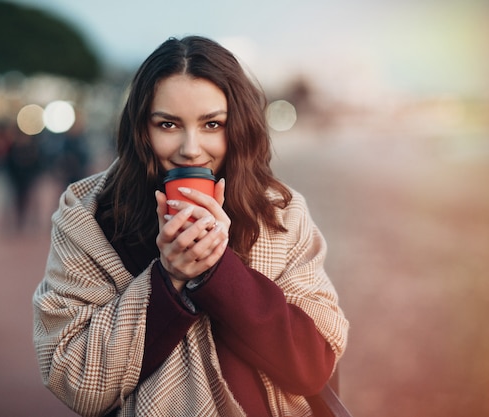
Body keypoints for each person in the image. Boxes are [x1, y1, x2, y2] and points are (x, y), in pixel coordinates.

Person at [33, 35, 348, 417]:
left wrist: (218, 269)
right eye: (168, 124)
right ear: (141, 131)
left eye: (212, 124)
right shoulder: (89, 217)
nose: (191, 147)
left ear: (238, 127)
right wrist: (168, 279)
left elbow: (314, 365)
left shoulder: (278, 213)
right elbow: (74, 380)